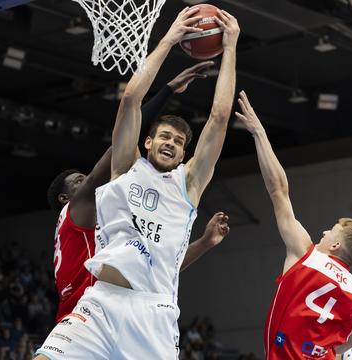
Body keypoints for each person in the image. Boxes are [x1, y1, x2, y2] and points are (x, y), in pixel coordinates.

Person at [35, 5, 239, 359]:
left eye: (178, 141)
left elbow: (220, 117)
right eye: (164, 136)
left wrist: (231, 47)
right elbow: (131, 99)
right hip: (100, 302)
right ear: (147, 141)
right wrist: (170, 39)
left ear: (184, 152)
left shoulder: (189, 183)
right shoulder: (125, 168)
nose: (170, 143)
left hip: (153, 314)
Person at [46, 61, 219, 322]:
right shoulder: (78, 207)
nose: (89, 181)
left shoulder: (97, 229)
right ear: (65, 198)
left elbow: (162, 268)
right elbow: (123, 133)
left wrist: (204, 243)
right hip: (90, 317)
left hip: (91, 315)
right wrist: (168, 91)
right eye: (79, 181)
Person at [233, 91, 352, 360]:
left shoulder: (306, 255)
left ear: (335, 244)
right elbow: (348, 342)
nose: (323, 231)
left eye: (330, 230)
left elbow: (279, 191)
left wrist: (259, 134)